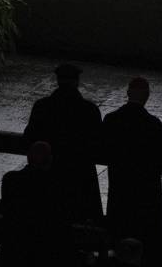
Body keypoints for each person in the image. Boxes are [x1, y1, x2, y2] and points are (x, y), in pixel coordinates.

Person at [102, 76, 162, 261]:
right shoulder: (153, 125)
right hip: (146, 200)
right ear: (147, 96)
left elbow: (101, 151)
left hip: (120, 195)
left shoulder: (111, 120)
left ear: (127, 93)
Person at [23, 62, 103, 223]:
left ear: (58, 81)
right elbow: (98, 144)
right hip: (80, 177)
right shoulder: (89, 110)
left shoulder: (42, 107)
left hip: (48, 176)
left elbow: (29, 138)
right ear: (77, 82)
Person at [0, 141, 73, 267]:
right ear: (50, 159)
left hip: (16, 248)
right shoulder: (58, 186)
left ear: (28, 158)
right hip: (47, 251)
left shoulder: (10, 180)